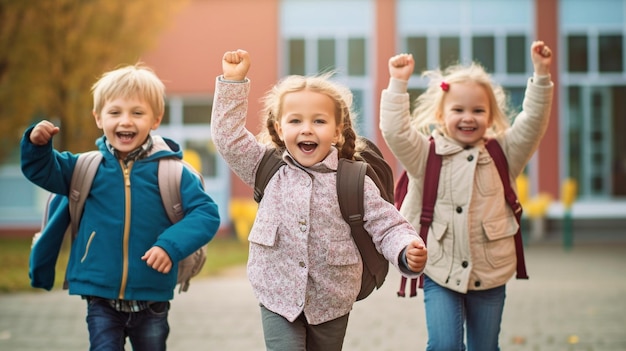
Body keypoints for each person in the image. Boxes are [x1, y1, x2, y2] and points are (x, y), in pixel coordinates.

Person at [210, 49, 428, 351]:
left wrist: (405, 249)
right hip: (277, 293)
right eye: (295, 120)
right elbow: (228, 137)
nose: (307, 129)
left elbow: (387, 225)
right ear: (278, 128)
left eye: (319, 121)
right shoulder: (265, 166)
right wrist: (233, 82)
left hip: (332, 296)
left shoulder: (353, 180)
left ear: (337, 132)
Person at [21, 63, 221, 351]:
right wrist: (36, 146)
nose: (125, 121)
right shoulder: (83, 167)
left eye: (137, 113)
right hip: (100, 296)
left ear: (155, 119)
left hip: (153, 297)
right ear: (98, 118)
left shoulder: (173, 172)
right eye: (115, 112)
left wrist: (170, 246)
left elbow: (206, 214)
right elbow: (43, 171)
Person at [379, 41, 553, 350]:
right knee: (444, 345)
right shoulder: (425, 154)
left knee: (485, 347)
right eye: (458, 110)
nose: (468, 117)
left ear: (491, 115)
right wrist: (398, 83)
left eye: (478, 110)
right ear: (441, 114)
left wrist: (540, 76)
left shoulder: (505, 153)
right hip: (440, 267)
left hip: (490, 270)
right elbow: (395, 131)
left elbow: (533, 123)